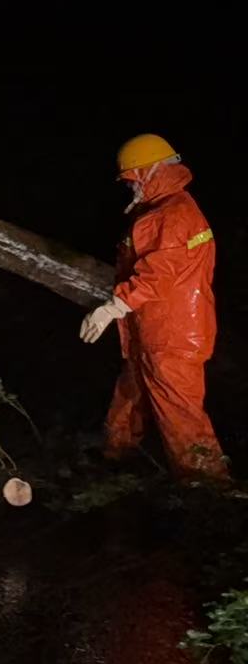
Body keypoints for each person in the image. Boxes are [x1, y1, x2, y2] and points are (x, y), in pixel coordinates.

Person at [79, 134, 227, 482]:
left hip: (173, 334)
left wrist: (113, 307)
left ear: (151, 172)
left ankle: (210, 487)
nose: (131, 187)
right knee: (130, 396)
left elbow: (158, 275)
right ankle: (115, 460)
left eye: (133, 179)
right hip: (153, 327)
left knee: (181, 415)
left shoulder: (174, 215)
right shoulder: (160, 212)